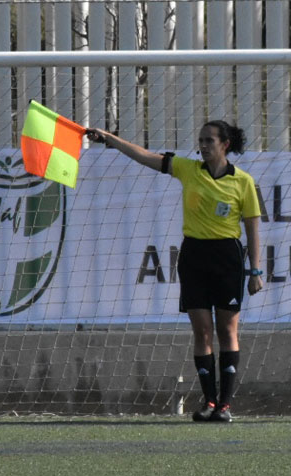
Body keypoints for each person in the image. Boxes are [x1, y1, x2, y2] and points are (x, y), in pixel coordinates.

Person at [86, 121, 263, 423]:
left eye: (210, 140)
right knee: (202, 331)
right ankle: (209, 401)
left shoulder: (243, 181)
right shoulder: (187, 169)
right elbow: (143, 155)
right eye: (201, 140)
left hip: (228, 259)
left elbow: (252, 229)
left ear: (225, 145)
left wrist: (255, 270)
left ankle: (225, 405)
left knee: (227, 331)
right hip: (194, 256)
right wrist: (109, 139)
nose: (204, 145)